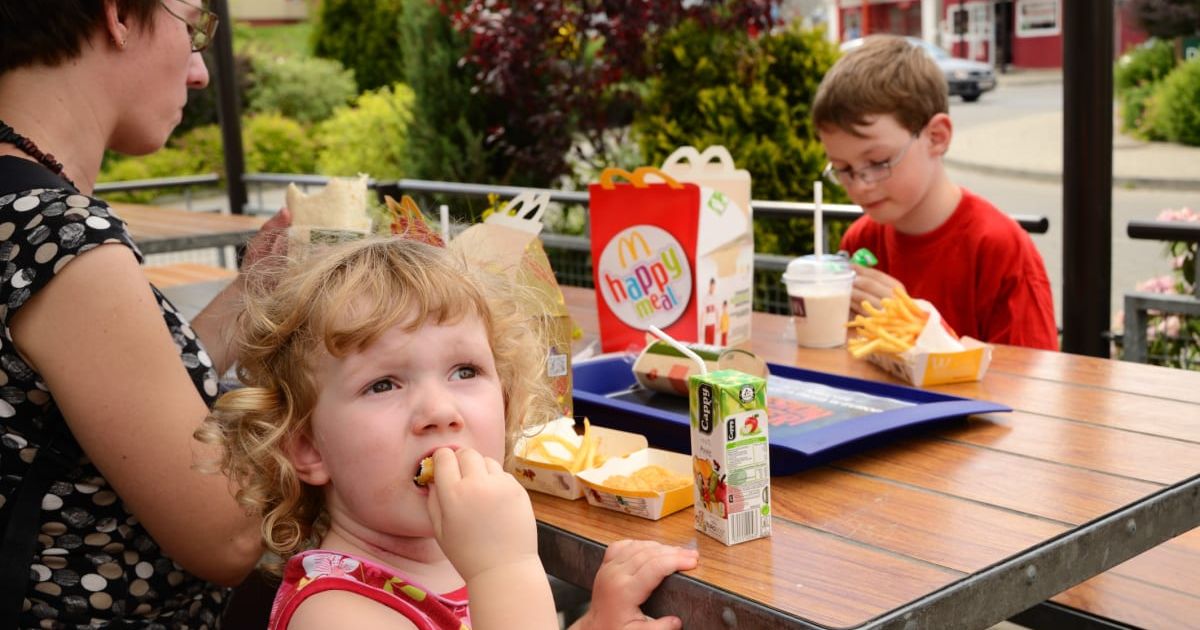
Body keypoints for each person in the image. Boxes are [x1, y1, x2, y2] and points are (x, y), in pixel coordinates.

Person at [197, 237, 699, 630]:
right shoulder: (335, 610)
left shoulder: (459, 557)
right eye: (383, 384)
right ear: (306, 446)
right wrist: (506, 570)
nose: (439, 411)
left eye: (464, 371)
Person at [0, 1, 288, 626]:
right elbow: (229, 540)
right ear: (119, 16)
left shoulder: (18, 210)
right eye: (193, 28)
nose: (200, 73)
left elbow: (109, 404)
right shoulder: (60, 234)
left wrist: (257, 290)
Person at [812, 35, 1058, 350]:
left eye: (877, 162)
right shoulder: (860, 241)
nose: (860, 185)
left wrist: (921, 331)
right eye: (843, 169)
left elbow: (1033, 385)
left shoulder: (1000, 249)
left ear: (936, 137)